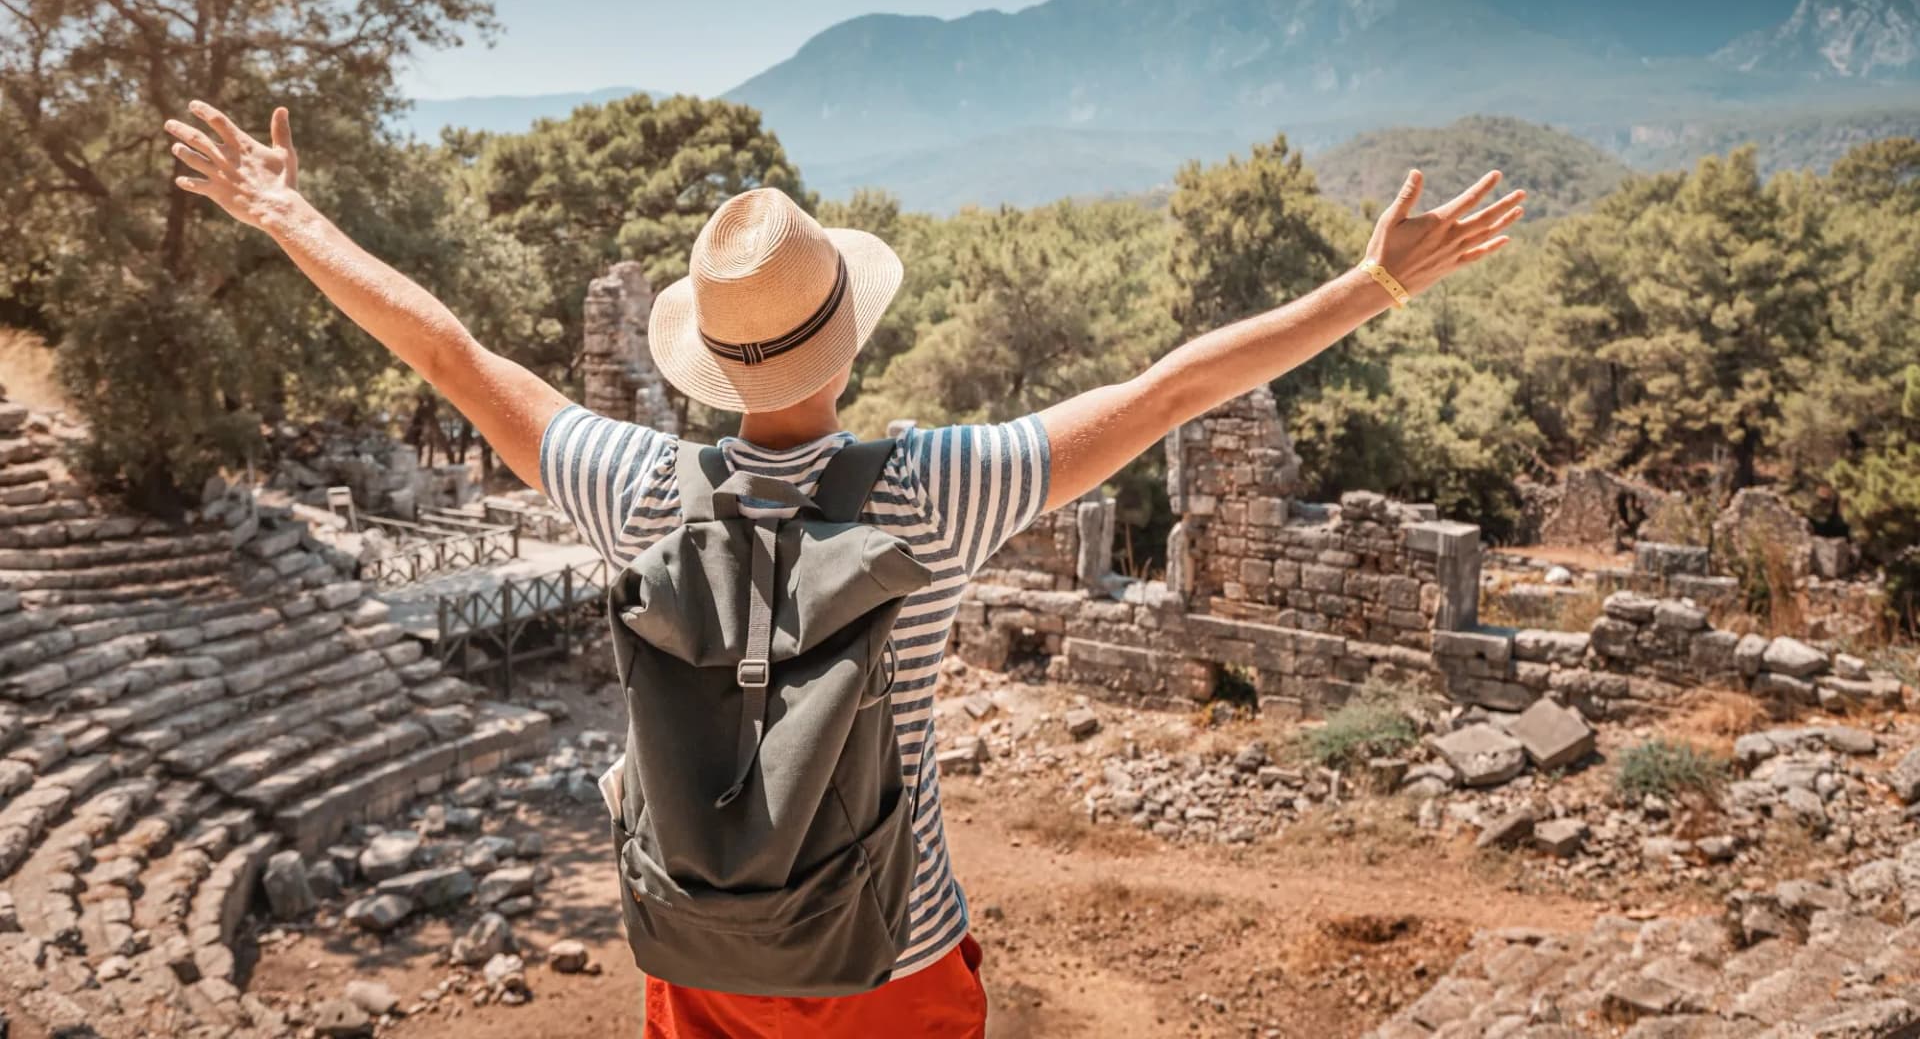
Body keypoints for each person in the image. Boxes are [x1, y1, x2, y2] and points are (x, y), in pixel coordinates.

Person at [164, 101, 1523, 1037]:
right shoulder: (937, 492)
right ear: (849, 340)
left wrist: (288, 214)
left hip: (695, 951)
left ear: (706, 354)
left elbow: (454, 355)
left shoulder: (633, 488)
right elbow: (1170, 391)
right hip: (893, 957)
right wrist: (1374, 284)